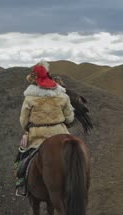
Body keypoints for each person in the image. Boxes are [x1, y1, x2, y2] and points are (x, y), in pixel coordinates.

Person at [14, 61, 75, 196]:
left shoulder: (30, 98)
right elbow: (70, 118)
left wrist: (26, 131)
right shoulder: (62, 96)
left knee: (21, 156)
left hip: (38, 136)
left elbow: (23, 121)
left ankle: (21, 184)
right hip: (61, 134)